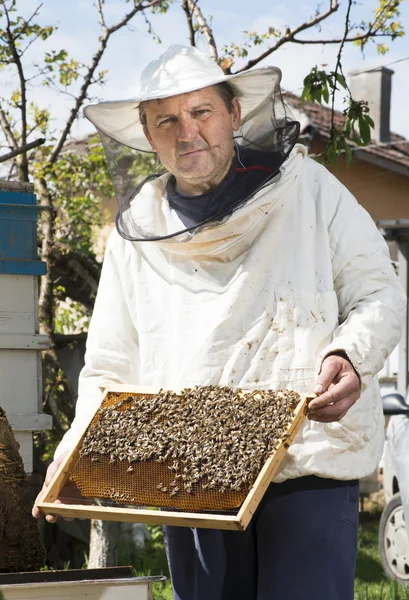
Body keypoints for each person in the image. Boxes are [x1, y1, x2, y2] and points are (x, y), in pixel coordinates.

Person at [33, 45, 405, 600]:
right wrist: (76, 450)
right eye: (167, 120)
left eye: (201, 112)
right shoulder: (137, 232)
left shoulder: (310, 190)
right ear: (147, 133)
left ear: (234, 114)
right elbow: (110, 360)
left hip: (307, 454)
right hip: (190, 473)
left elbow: (378, 289)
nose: (187, 133)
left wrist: (350, 355)